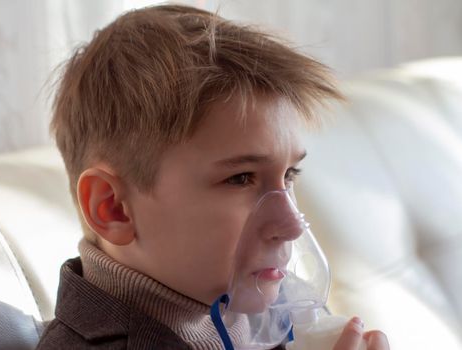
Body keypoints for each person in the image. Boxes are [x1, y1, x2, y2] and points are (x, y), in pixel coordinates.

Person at [36, 4, 389, 350]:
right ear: (113, 208)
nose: (292, 225)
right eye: (241, 178)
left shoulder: (274, 307)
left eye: (289, 174)